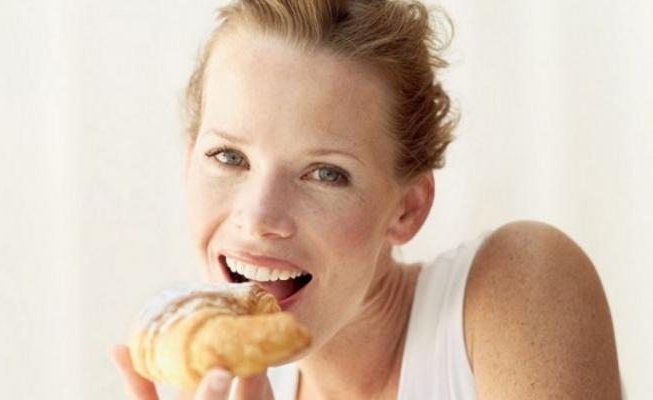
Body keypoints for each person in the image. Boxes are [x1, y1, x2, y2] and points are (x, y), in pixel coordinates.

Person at [111, 0, 622, 399]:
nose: (259, 216)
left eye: (325, 173)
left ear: (407, 209)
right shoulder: (236, 388)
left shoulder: (519, 285)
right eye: (228, 157)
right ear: (187, 162)